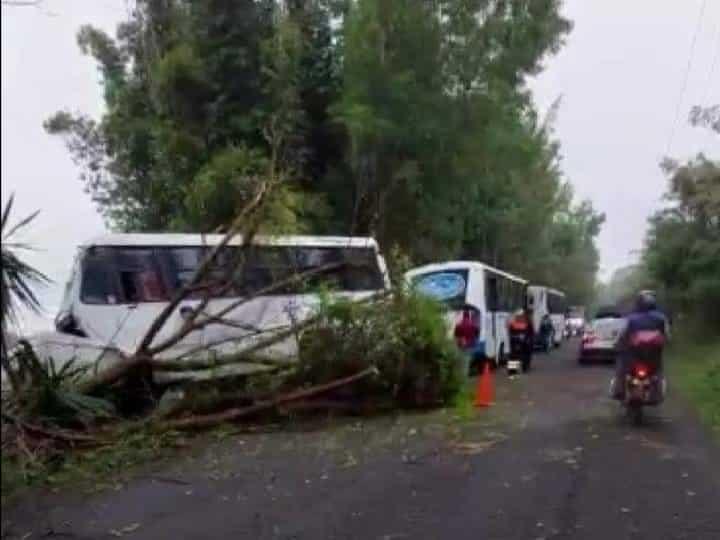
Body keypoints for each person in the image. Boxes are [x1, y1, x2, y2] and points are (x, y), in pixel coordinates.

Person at [612, 291, 667, 399]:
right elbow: (666, 335)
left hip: (633, 356)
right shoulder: (661, 318)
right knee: (657, 372)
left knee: (621, 368)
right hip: (653, 356)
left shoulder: (632, 318)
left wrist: (617, 344)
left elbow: (623, 334)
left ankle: (619, 390)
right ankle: (657, 393)